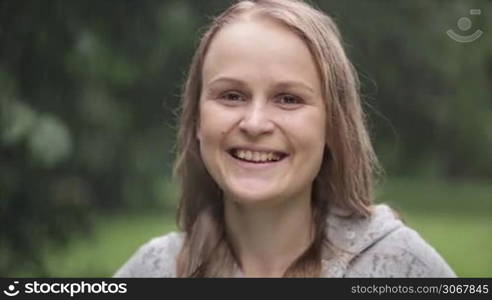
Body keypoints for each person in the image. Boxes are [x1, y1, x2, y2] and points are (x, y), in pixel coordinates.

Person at [114, 0, 456, 277]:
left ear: (334, 126)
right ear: (197, 120)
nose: (255, 123)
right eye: (232, 95)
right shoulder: (155, 270)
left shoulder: (400, 267)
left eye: (288, 99)